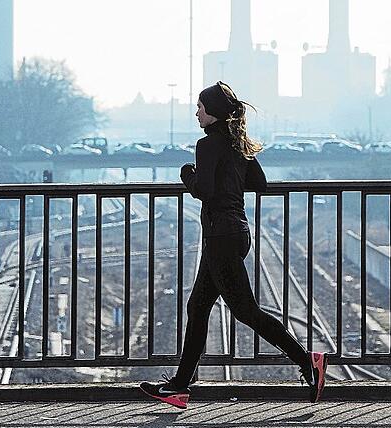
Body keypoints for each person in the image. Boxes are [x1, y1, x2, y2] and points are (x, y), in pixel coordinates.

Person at [139, 81, 327, 409]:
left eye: (200, 107)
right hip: (236, 234)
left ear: (212, 112)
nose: (196, 112)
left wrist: (188, 175)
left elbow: (206, 191)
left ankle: (307, 360)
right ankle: (180, 388)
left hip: (221, 238)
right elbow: (260, 183)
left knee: (245, 311)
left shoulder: (208, 145)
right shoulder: (236, 143)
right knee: (197, 308)